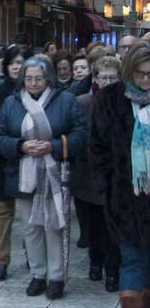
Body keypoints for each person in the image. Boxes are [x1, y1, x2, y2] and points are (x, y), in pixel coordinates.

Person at [0, 56, 87, 300]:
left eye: (38, 78)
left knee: (53, 226)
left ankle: (56, 276)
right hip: (22, 172)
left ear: (48, 79)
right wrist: (21, 146)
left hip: (54, 171)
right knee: (31, 226)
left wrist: (53, 146)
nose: (33, 83)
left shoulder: (65, 100)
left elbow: (80, 133)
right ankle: (38, 274)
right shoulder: (11, 102)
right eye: (29, 78)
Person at [90, 41, 150, 307]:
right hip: (125, 198)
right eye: (140, 74)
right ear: (129, 71)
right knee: (133, 260)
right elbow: (97, 148)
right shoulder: (110, 99)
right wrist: (106, 188)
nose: (146, 79)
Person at [0, 46, 32, 281]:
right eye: (12, 62)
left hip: (29, 160)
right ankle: (1, 260)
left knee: (30, 212)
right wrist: (7, 147)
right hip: (1, 160)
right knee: (2, 212)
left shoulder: (34, 91)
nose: (16, 66)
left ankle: (32, 253)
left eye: (21, 62)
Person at [74, 55, 121, 292]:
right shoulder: (83, 103)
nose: (108, 82)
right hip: (88, 175)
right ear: (95, 79)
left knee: (113, 228)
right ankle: (95, 262)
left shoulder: (124, 103)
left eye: (113, 77)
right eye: (104, 77)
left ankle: (113, 271)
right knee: (93, 226)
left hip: (115, 176)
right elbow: (78, 136)